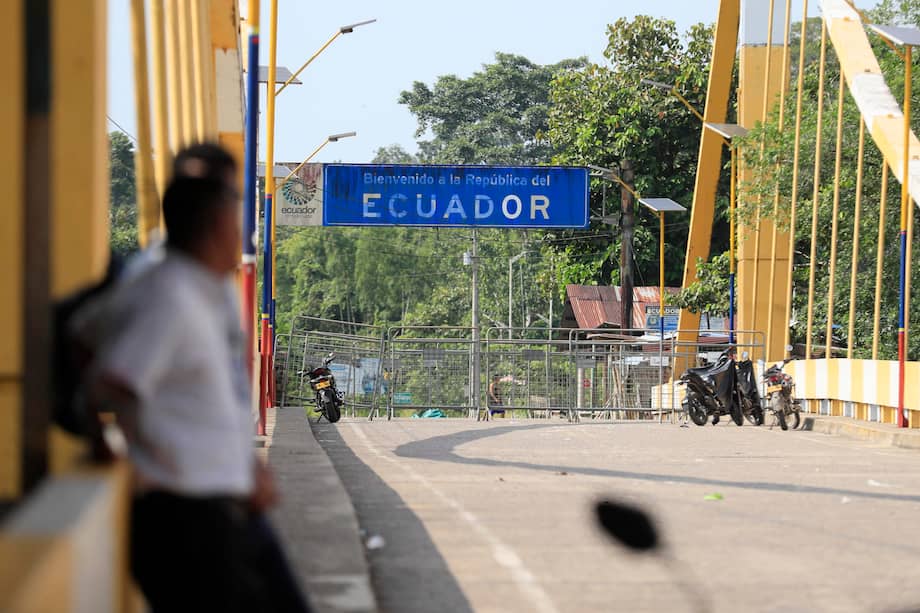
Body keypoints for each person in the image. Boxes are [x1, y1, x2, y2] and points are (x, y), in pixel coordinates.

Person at [74, 144, 309, 613]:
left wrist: (243, 462)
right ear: (213, 225)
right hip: (185, 512)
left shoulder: (202, 288)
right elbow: (113, 377)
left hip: (224, 499)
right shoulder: (167, 295)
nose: (246, 235)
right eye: (235, 217)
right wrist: (99, 436)